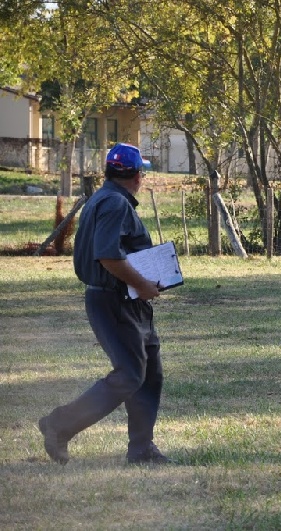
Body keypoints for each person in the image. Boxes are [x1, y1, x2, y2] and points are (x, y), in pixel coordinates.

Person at [38, 142, 171, 465]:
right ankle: (59, 425)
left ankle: (141, 448)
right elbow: (108, 255)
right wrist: (141, 283)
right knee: (129, 374)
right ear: (138, 175)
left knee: (149, 372)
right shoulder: (115, 204)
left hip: (125, 299)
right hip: (115, 299)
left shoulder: (104, 198)